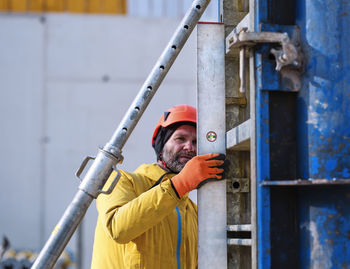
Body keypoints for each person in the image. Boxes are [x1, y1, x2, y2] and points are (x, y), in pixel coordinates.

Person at [91, 104, 228, 269]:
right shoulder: (121, 181)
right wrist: (180, 184)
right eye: (180, 139)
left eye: (195, 141)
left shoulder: (193, 212)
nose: (189, 147)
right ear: (161, 146)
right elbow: (117, 228)